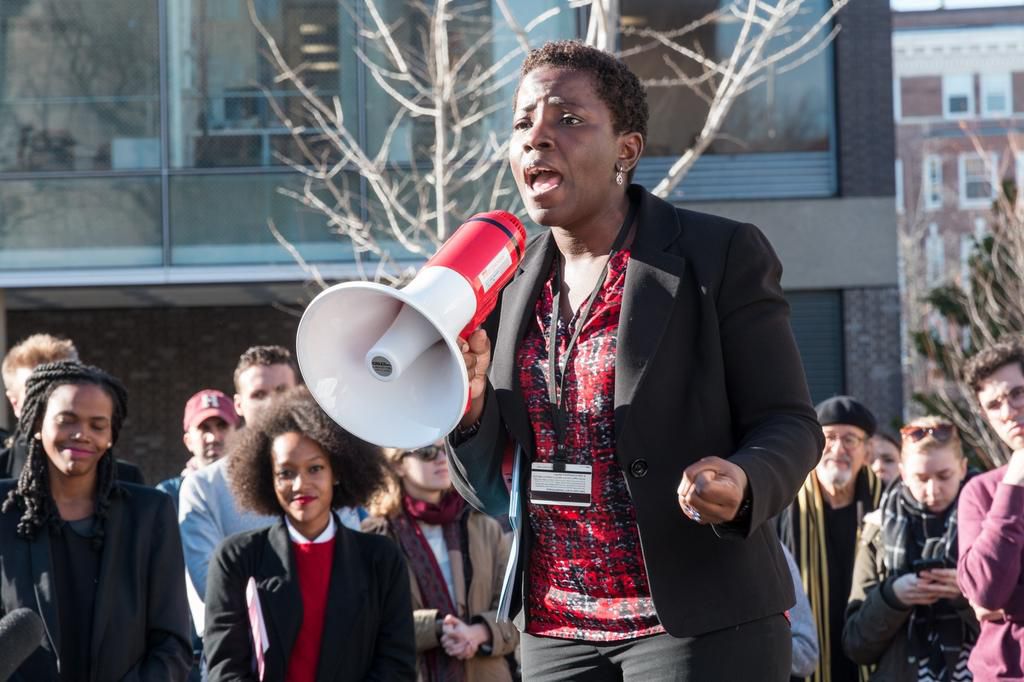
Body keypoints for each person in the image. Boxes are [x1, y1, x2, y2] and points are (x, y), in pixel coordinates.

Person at [450, 40, 822, 681]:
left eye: (567, 119)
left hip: (697, 627)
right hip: (554, 632)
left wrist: (743, 482)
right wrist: (470, 407)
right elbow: (487, 486)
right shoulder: (504, 287)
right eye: (521, 122)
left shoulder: (719, 254)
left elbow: (791, 423)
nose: (537, 137)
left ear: (626, 149)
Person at [203, 388, 415, 680]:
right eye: (285, 473)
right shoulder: (237, 558)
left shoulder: (381, 558)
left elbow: (396, 665)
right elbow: (224, 668)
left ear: (337, 472)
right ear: (268, 478)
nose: (300, 484)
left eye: (315, 468)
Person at [0, 361, 191, 680]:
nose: (81, 434)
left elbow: (171, 643)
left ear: (111, 435)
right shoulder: (4, 511)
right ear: (37, 424)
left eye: (97, 425)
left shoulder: (149, 513)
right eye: (67, 420)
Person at [364, 442, 519, 681]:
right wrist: (435, 627)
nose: (440, 459)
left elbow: (514, 612)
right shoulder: (376, 535)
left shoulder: (485, 527)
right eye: (427, 452)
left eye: (447, 450)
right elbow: (370, 623)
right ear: (398, 464)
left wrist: (478, 632)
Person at [844, 416, 977, 681]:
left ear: (962, 469)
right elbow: (855, 644)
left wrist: (966, 594)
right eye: (921, 478)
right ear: (903, 474)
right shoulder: (878, 530)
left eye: (944, 476)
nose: (933, 490)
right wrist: (893, 597)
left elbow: (1014, 623)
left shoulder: (989, 523)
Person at [778, 395, 882, 682]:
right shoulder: (782, 504)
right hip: (806, 659)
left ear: (868, 450)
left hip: (873, 655)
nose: (838, 449)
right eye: (829, 438)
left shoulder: (886, 504)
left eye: (850, 439)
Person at [957, 338, 1024, 680]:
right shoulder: (981, 493)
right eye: (994, 404)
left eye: (1017, 394)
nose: (1008, 411)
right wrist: (1013, 483)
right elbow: (986, 591)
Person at [0, 333, 145, 483]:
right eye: (36, 392)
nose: (81, 434)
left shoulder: (125, 480)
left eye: (64, 387)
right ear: (15, 403)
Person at [157, 388, 240, 512]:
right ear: (188, 441)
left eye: (222, 426)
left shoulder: (256, 491)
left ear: (238, 435)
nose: (213, 438)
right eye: (204, 428)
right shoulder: (168, 496)